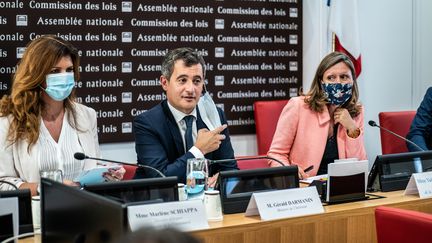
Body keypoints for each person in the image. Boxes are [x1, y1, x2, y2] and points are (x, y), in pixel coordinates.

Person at [0, 35, 123, 196]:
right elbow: (3, 183)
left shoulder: (86, 115)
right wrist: (44, 187)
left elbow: (94, 165)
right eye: (55, 71)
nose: (64, 76)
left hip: (84, 210)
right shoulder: (9, 121)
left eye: (69, 70)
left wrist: (107, 175)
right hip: (35, 216)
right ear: (36, 74)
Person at [134, 47, 238, 184]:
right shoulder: (147, 123)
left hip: (205, 201)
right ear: (164, 82)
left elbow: (231, 170)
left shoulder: (215, 115)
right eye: (182, 80)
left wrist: (222, 179)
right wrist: (199, 150)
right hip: (162, 202)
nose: (191, 89)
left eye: (196, 81)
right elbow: (160, 179)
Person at [267, 52, 367, 179]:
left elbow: (359, 165)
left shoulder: (356, 111)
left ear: (353, 80)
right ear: (321, 82)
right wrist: (289, 172)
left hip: (342, 187)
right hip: (304, 188)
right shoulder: (298, 106)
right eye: (331, 78)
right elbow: (275, 154)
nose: (338, 83)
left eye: (344, 77)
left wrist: (352, 128)